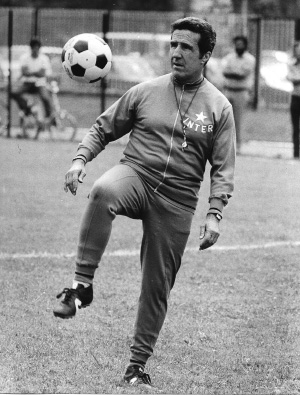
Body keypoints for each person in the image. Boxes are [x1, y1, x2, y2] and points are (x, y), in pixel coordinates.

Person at [53, 17, 236, 389]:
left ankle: (137, 366)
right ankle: (81, 286)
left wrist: (214, 213)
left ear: (205, 55)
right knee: (104, 190)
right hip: (136, 174)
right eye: (173, 44)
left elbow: (223, 167)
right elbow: (103, 128)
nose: (176, 53)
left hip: (179, 199)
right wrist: (79, 160)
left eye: (186, 47)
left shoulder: (219, 107)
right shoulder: (146, 91)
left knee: (157, 286)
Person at [221, 35, 255, 150]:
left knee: (238, 119)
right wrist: (235, 72)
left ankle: (238, 145)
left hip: (241, 92)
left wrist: (233, 72)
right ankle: (226, 145)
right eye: (237, 44)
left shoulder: (250, 59)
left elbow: (242, 75)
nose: (238, 46)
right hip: (228, 90)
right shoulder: (229, 57)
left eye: (241, 44)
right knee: (225, 119)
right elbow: (225, 71)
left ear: (245, 45)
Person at [11, 37, 53, 130]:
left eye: (37, 47)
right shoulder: (24, 58)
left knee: (46, 98)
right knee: (14, 92)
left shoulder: (43, 58)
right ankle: (27, 109)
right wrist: (36, 73)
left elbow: (42, 74)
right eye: (34, 47)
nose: (35, 50)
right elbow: (24, 72)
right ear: (31, 48)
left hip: (39, 84)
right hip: (27, 83)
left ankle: (49, 120)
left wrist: (31, 72)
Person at [287, 41, 300, 158]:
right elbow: (290, 77)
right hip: (296, 97)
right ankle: (296, 152)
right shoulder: (292, 64)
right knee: (296, 126)